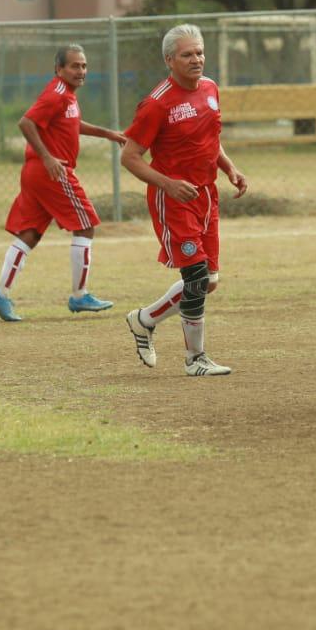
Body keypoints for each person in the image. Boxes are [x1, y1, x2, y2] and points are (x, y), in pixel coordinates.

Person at [120, 24, 247, 376]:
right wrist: (169, 184)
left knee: (208, 281)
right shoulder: (157, 104)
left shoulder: (210, 89)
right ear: (169, 60)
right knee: (195, 277)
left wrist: (230, 169)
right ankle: (196, 359)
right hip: (174, 199)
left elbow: (211, 139)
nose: (197, 59)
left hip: (207, 195)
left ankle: (143, 319)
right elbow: (129, 157)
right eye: (187, 54)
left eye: (200, 52)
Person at [0, 44, 126, 321]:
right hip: (52, 171)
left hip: (37, 173)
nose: (81, 71)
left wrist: (108, 133)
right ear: (59, 69)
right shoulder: (57, 94)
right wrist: (48, 157)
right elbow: (26, 123)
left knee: (30, 234)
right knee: (85, 226)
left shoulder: (67, 96)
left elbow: (73, 124)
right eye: (74, 66)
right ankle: (79, 296)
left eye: (84, 66)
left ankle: (0, 293)